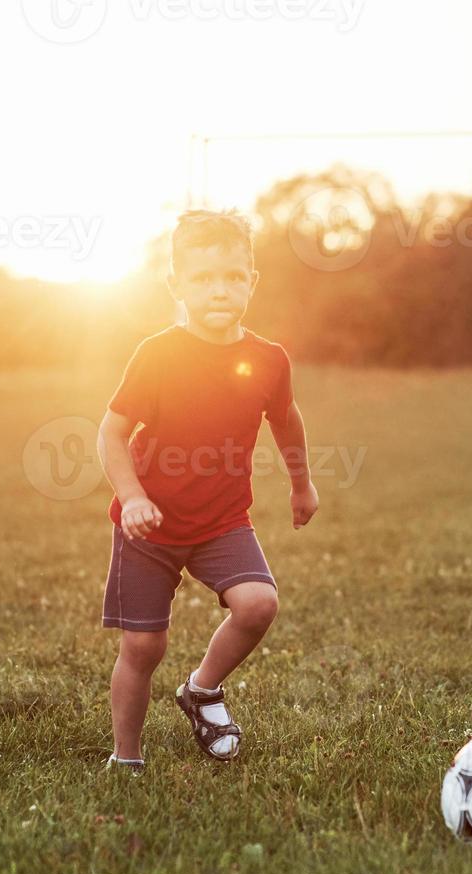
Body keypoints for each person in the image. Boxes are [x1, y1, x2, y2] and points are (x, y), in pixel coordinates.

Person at [96, 209, 319, 770]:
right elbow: (111, 433)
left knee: (259, 603)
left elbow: (287, 421)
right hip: (149, 525)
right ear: (177, 286)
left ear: (251, 281)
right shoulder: (158, 354)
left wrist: (302, 485)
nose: (219, 289)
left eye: (232, 277)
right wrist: (135, 498)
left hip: (222, 520)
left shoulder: (269, 359)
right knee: (144, 648)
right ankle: (126, 758)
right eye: (202, 278)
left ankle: (202, 690)